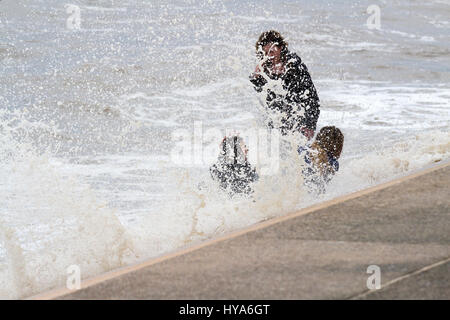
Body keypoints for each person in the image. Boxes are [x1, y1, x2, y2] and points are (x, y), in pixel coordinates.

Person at [250, 30, 320, 140]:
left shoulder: (295, 66)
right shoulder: (265, 69)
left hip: (299, 119)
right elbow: (260, 92)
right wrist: (256, 76)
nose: (269, 56)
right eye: (266, 52)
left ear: (281, 48)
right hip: (276, 120)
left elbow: (312, 98)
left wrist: (310, 125)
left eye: (272, 52)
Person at [298, 126, 344, 194]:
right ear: (338, 146)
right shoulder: (333, 163)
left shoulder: (302, 150)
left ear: (318, 138)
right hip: (314, 197)